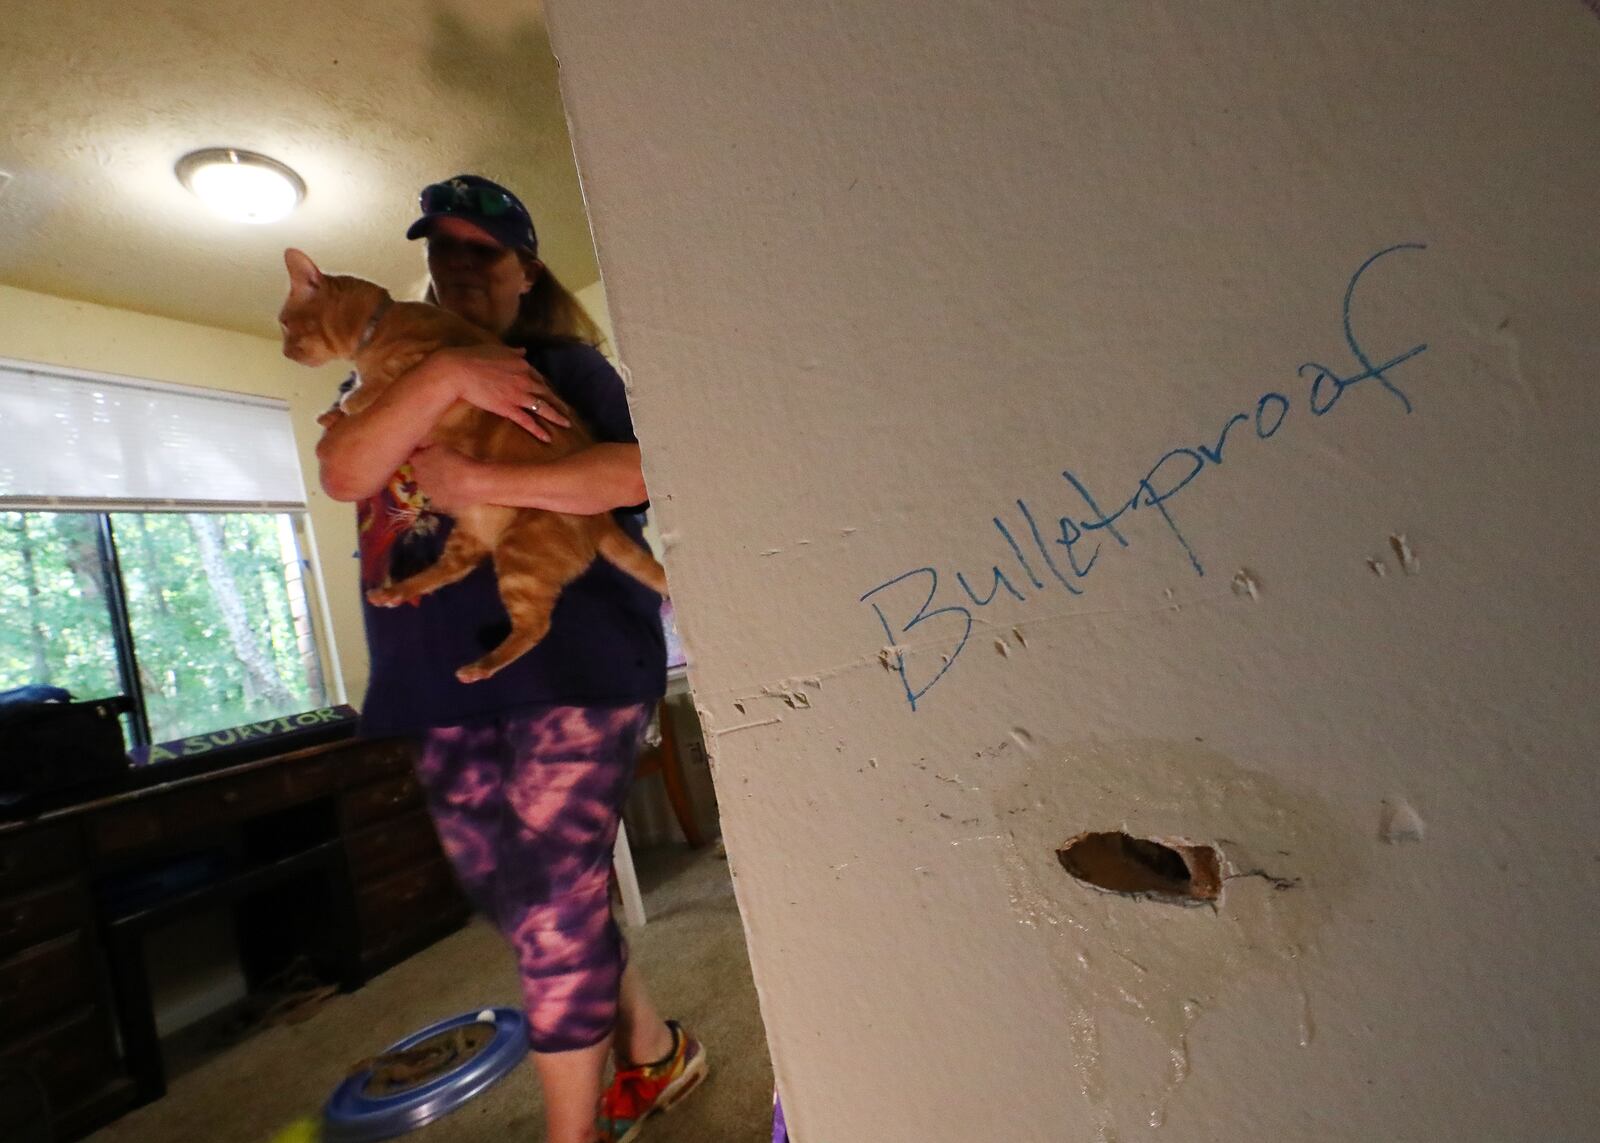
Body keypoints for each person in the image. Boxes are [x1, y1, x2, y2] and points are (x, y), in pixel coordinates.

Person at [316, 174, 705, 1143]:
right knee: (520, 899)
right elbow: (343, 471)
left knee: (551, 905)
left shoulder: (565, 367)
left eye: (480, 250)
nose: (457, 267)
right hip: (434, 684)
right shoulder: (389, 378)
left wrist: (480, 473)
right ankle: (653, 1054)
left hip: (566, 668)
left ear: (525, 268)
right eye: (439, 250)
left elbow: (639, 471)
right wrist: (445, 380)